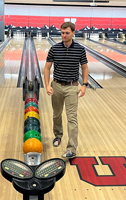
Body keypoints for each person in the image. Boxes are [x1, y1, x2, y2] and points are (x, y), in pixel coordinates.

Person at [44, 22, 89, 159]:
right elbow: (47, 68)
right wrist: (47, 85)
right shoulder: (54, 48)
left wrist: (84, 85)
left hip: (72, 87)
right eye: (62, 33)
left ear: (73, 33)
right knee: (56, 114)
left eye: (67, 33)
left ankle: (71, 148)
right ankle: (58, 136)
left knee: (72, 118)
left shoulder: (80, 49)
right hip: (56, 85)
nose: (64, 35)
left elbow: (85, 68)